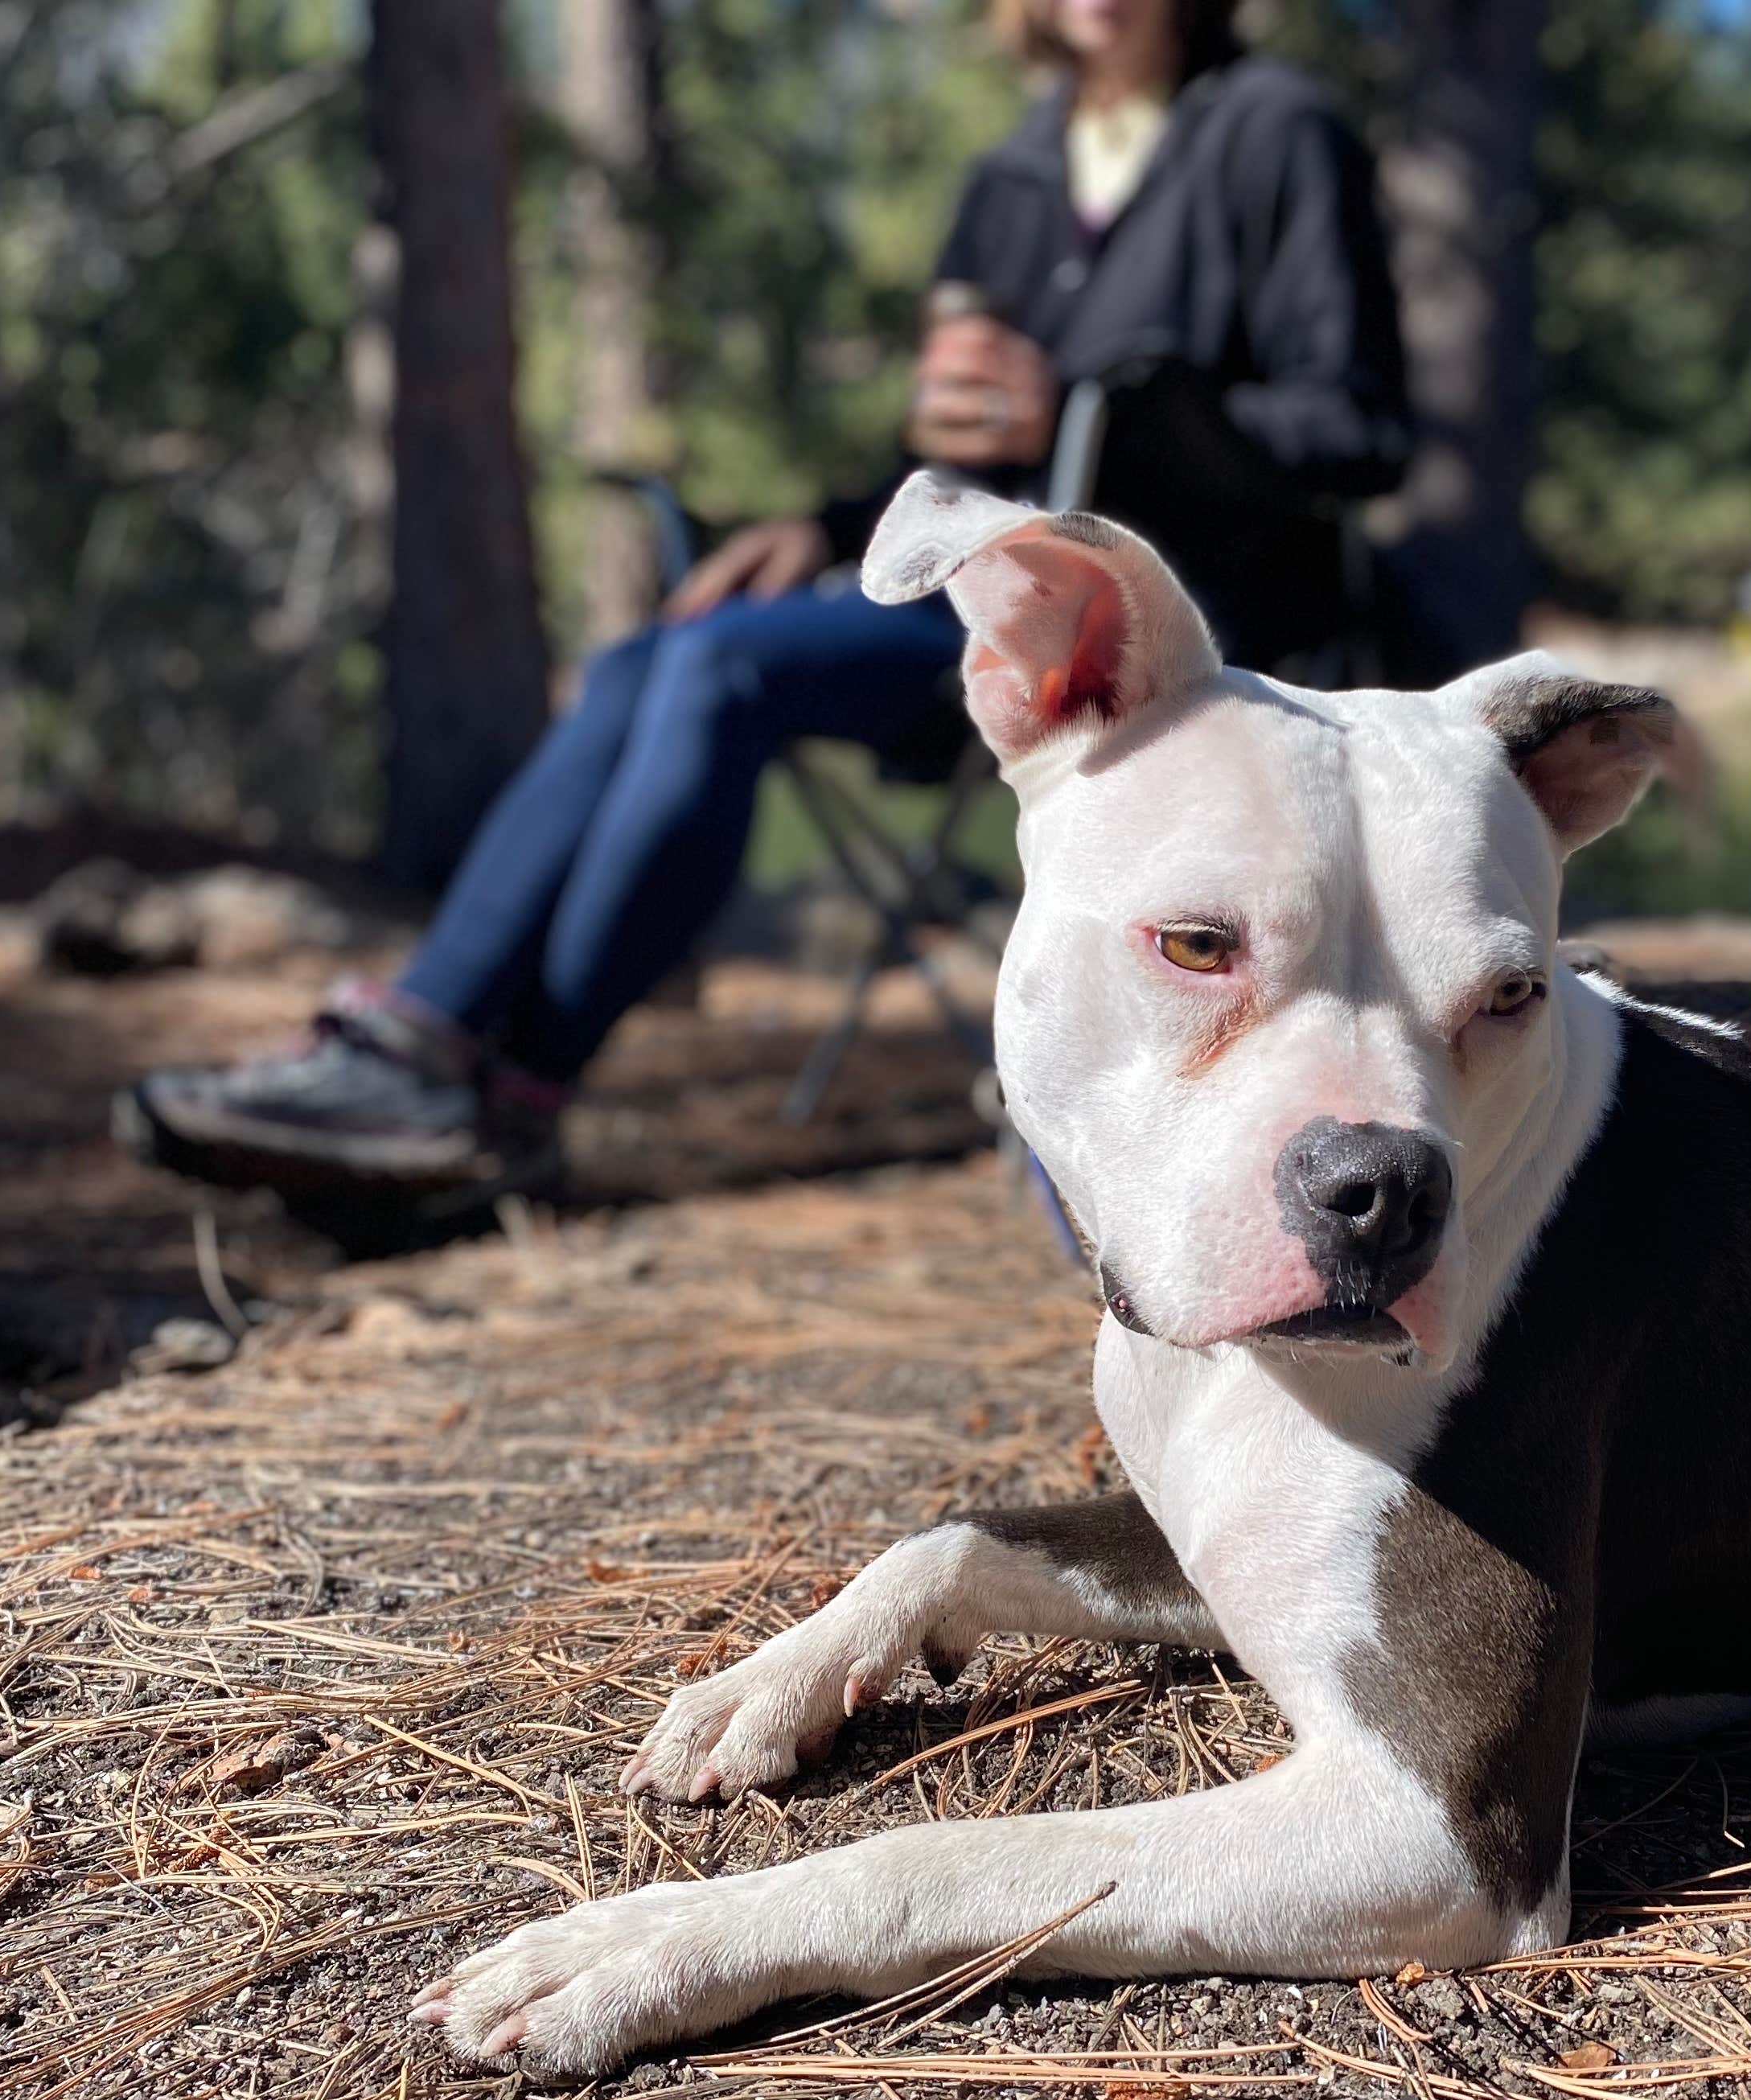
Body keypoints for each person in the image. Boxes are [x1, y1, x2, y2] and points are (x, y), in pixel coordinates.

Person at [118, 0, 1410, 1208]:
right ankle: (428, 1056)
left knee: (724, 672)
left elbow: (1357, 431)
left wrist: (1095, 412)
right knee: (652, 657)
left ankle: (497, 1088)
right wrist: (828, 529)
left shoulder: (1275, 132)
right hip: (993, 597)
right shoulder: (1015, 175)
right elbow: (982, 456)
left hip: (1164, 627)